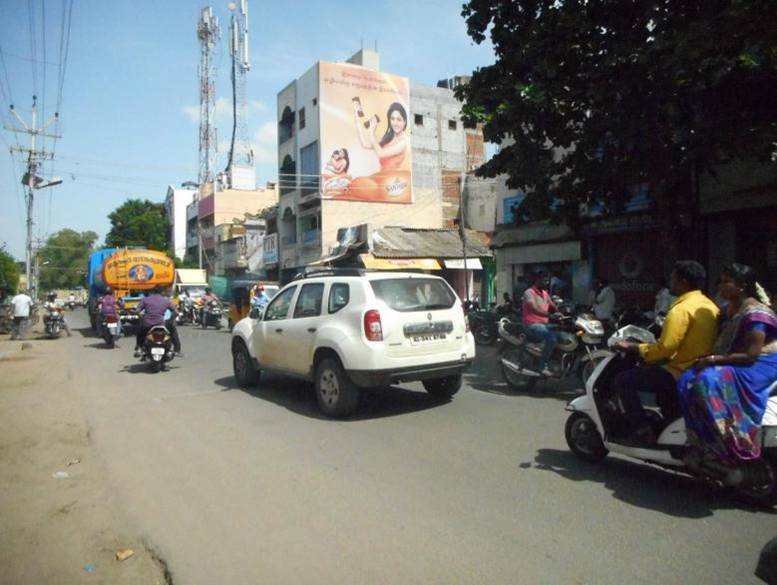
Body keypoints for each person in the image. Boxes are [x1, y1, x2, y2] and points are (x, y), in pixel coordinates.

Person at [677, 264, 777, 463]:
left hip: (761, 364)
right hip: (735, 360)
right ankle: (701, 439)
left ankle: (730, 439)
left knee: (707, 379)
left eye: (726, 282)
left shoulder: (757, 314)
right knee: (686, 379)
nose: (721, 286)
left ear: (742, 286)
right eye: (720, 281)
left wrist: (713, 360)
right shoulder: (728, 310)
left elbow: (751, 356)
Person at [612, 261, 720, 445]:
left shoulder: (680, 310)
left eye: (673, 278)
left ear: (683, 282)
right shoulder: (710, 306)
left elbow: (665, 349)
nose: (670, 281)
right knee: (661, 390)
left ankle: (642, 431)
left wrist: (632, 347)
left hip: (679, 371)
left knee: (623, 380)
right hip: (700, 370)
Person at [522, 271, 557, 377]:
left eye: (548, 281)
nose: (546, 283)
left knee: (562, 334)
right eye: (544, 280)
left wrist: (561, 309)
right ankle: (543, 366)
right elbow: (534, 309)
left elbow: (553, 306)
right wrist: (549, 315)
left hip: (544, 324)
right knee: (552, 339)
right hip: (532, 323)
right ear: (537, 280)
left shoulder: (545, 293)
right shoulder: (529, 292)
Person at [134, 287, 176, 357]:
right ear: (162, 292)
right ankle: (177, 349)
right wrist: (171, 319)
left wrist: (141, 318)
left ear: (153, 292)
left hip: (147, 324)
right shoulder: (166, 301)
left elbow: (137, 311)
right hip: (161, 324)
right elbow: (176, 312)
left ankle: (139, 347)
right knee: (173, 332)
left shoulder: (145, 300)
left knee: (140, 332)